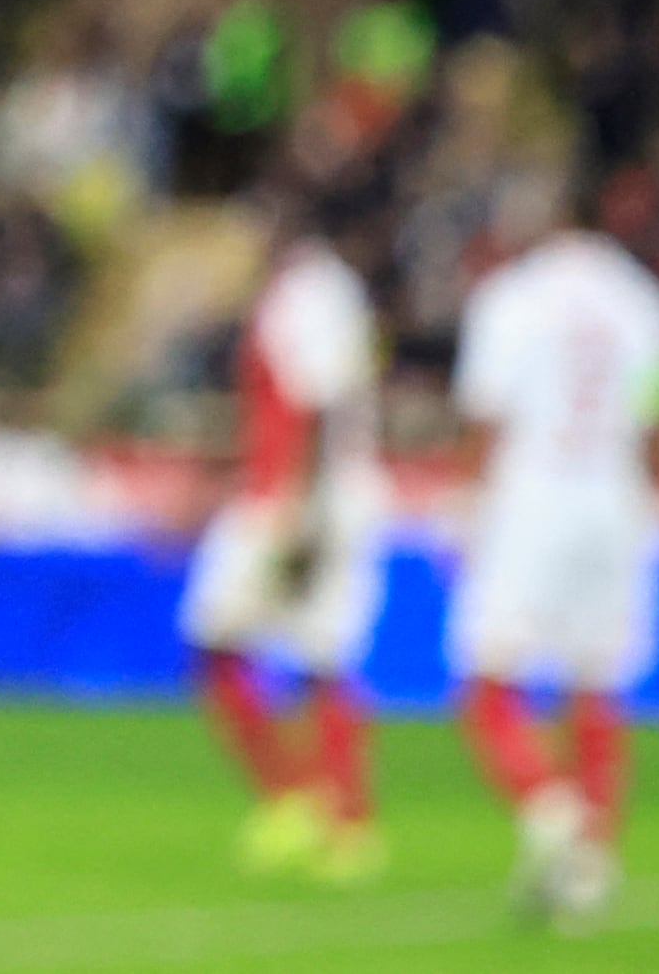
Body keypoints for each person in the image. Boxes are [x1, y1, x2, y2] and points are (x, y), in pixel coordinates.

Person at [443, 178, 659, 929]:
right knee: (596, 681)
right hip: (616, 498)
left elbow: (486, 417)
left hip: (532, 496)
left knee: (486, 679)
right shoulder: (646, 301)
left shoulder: (510, 299)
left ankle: (549, 806)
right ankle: (592, 864)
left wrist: (465, 509)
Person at [180, 205, 389, 881]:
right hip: (319, 491)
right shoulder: (332, 290)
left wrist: (303, 512)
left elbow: (316, 404)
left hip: (298, 500)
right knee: (320, 658)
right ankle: (342, 821)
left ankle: (298, 800)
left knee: (218, 641)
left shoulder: (303, 294)